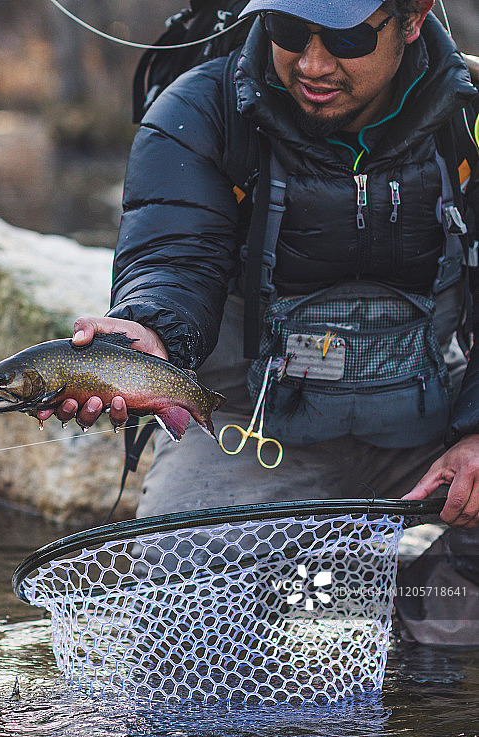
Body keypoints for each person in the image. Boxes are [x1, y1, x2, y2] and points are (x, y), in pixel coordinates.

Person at [39, 0, 479, 643]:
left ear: (412, 22)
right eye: (287, 30)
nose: (313, 63)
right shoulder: (198, 111)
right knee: (174, 623)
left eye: (347, 37)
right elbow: (172, 257)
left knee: (450, 639)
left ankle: (418, 646)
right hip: (249, 423)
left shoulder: (470, 117)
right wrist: (149, 334)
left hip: (431, 421)